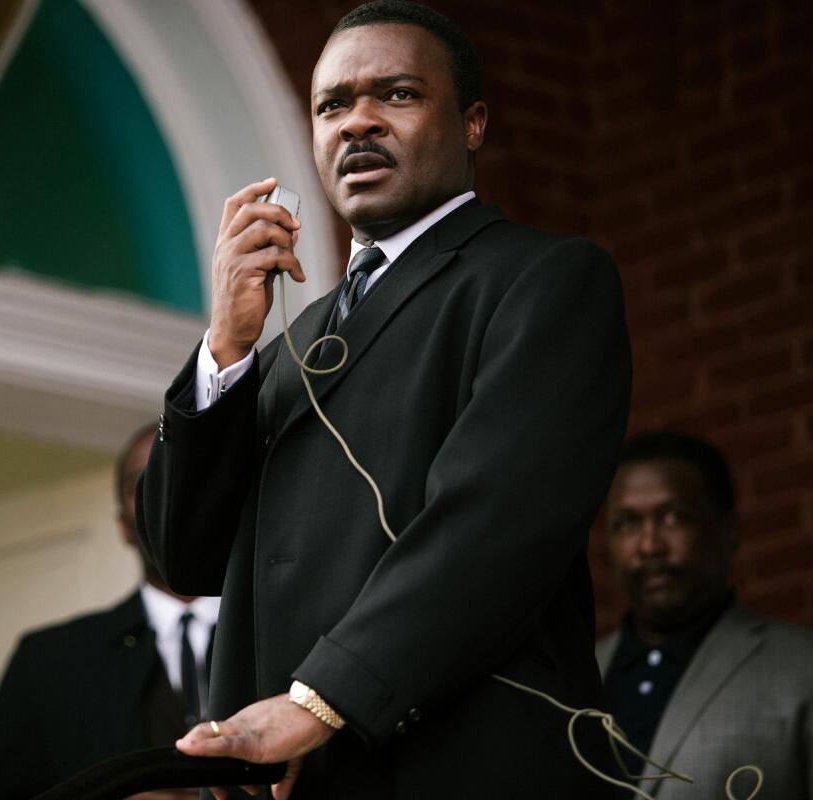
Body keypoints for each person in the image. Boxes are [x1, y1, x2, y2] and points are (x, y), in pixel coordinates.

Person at [135, 1, 632, 797]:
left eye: (396, 95)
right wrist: (225, 346)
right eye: (332, 105)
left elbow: (495, 521)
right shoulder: (290, 341)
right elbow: (180, 554)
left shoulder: (543, 281)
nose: (357, 123)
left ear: (472, 124)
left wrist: (320, 698)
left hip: (460, 766)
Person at [0, 424, 220, 799]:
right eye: (140, 482)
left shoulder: (294, 638)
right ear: (122, 526)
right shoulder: (46, 663)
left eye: (181, 471)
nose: (162, 493)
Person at [597, 431, 813, 799]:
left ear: (728, 532)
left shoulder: (802, 665)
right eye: (627, 523)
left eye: (673, 517)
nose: (649, 545)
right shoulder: (575, 676)